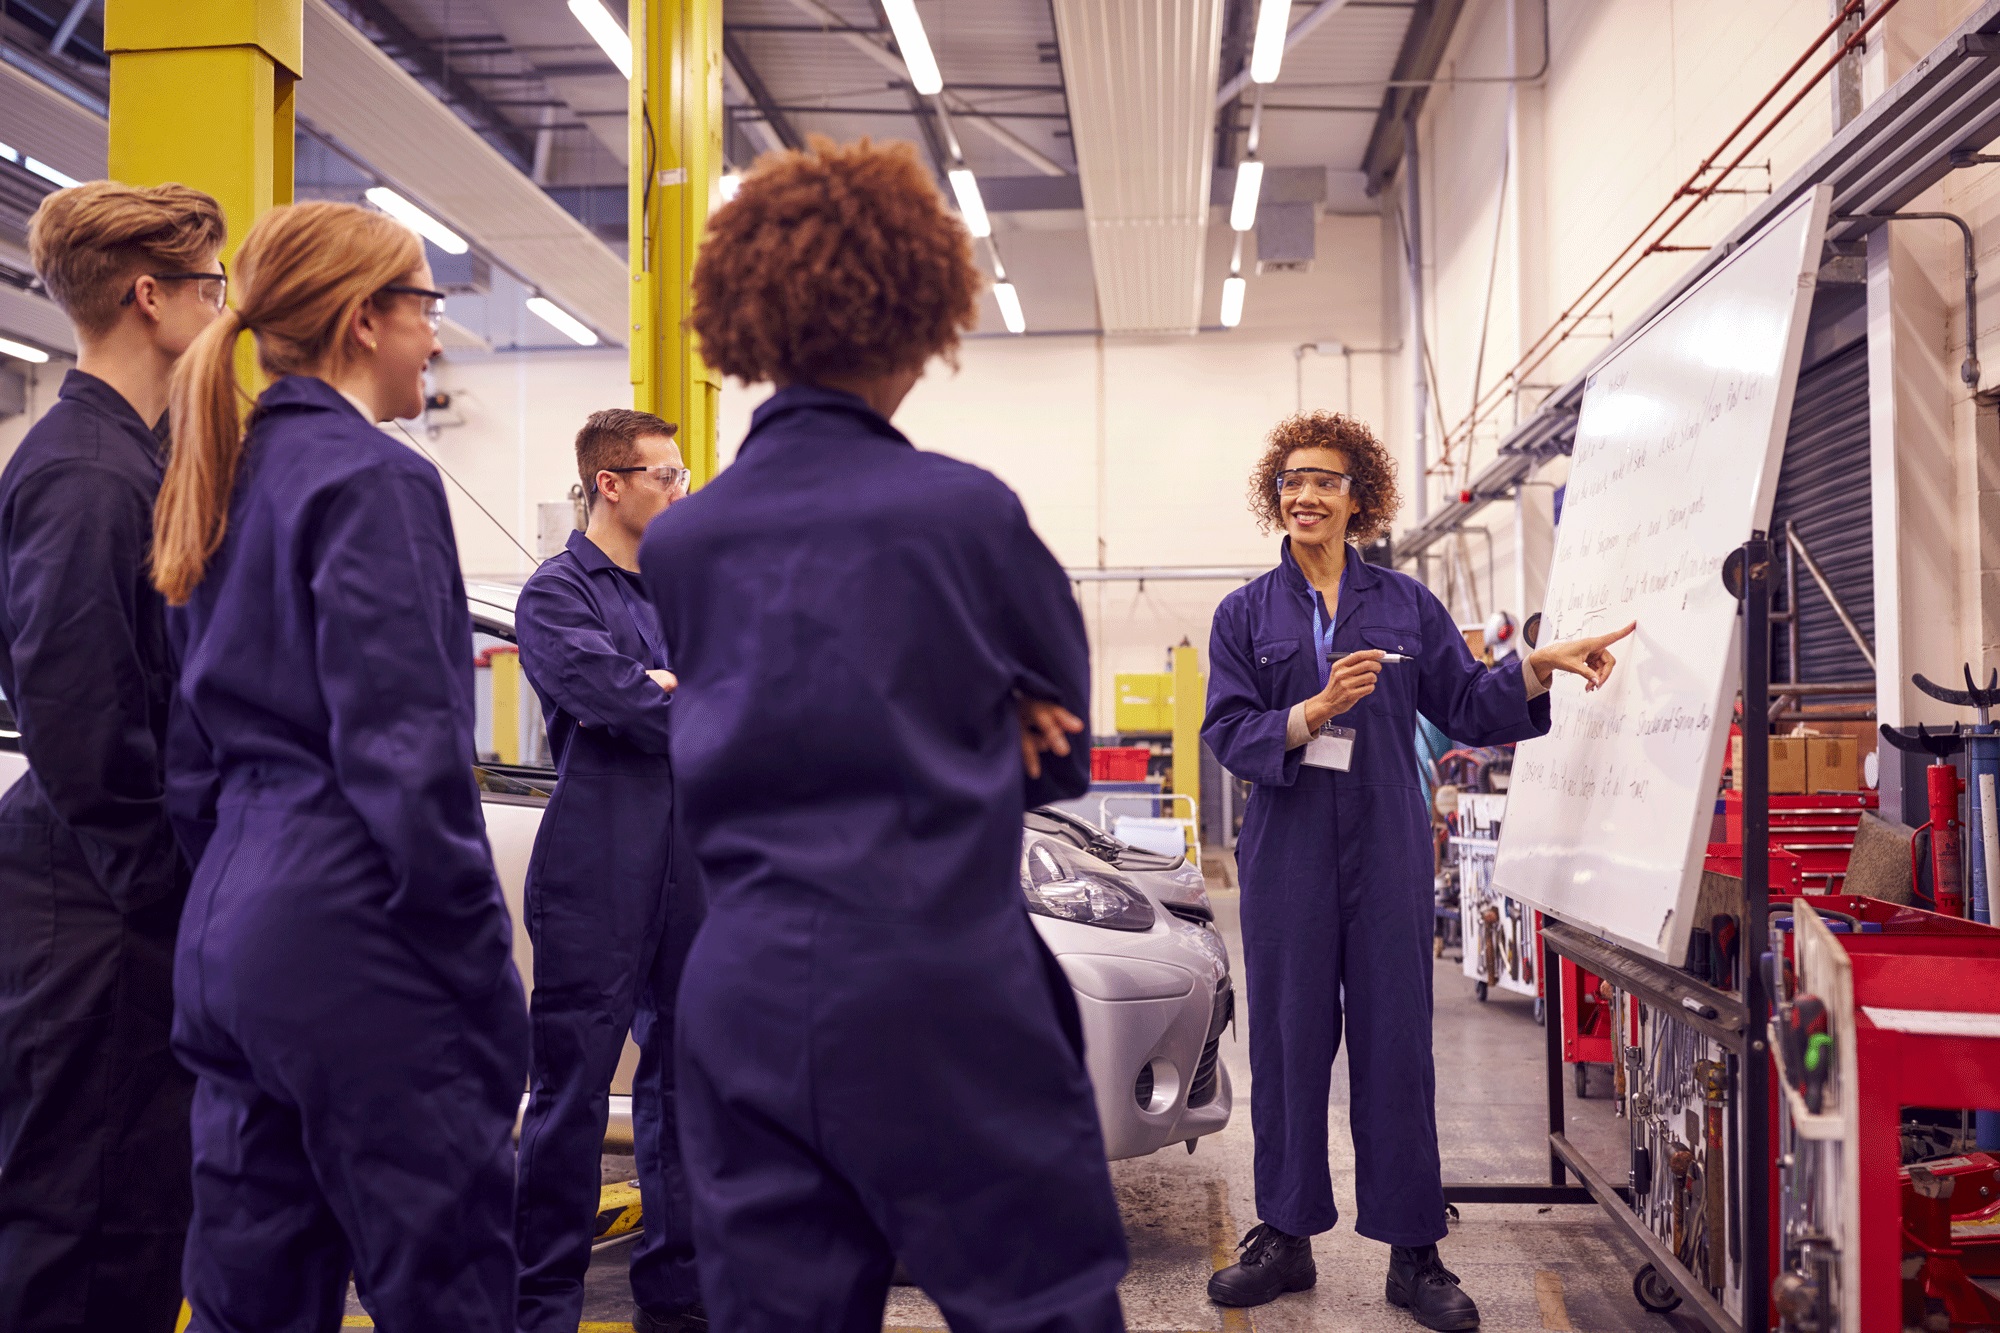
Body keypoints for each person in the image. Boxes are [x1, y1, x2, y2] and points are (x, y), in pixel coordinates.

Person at [639, 137, 1128, 1333]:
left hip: (740, 991)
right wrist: (982, 714)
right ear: (919, 319)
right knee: (1039, 1308)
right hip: (937, 988)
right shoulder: (963, 515)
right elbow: (1057, 753)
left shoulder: (683, 543)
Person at [151, 200, 528, 1331]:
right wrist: (478, 972)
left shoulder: (218, 472)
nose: (436, 337)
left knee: (247, 1291)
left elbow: (187, 760)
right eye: (425, 308)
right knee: (447, 1280)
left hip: (230, 933)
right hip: (354, 933)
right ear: (365, 321)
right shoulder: (374, 478)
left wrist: (244, 891)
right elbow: (406, 755)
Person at [1201, 411, 1633, 1330]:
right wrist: (1313, 709)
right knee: (1286, 1042)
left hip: (1389, 844)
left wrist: (1533, 670)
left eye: (1325, 480)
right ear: (1275, 496)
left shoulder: (1405, 606)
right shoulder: (1245, 613)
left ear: (1360, 498)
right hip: (1286, 851)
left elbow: (1469, 704)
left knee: (1398, 1043)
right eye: (1291, 481)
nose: (1305, 495)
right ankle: (1284, 1233)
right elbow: (1228, 733)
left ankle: (1413, 1250)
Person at [0, 180, 226, 1333]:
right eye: (212, 287)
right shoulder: (88, 475)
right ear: (152, 297)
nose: (223, 310)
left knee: (136, 1211)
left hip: (111, 895)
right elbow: (82, 721)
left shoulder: (129, 457)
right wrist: (168, 892)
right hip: (96, 910)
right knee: (86, 1220)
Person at [513, 407, 704, 1333]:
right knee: (573, 1090)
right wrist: (667, 692)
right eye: (666, 476)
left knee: (689, 1086)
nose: (682, 490)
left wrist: (673, 691)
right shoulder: (556, 595)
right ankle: (542, 1301)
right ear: (611, 484)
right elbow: (620, 699)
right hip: (597, 867)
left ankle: (678, 1296)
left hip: (692, 868)